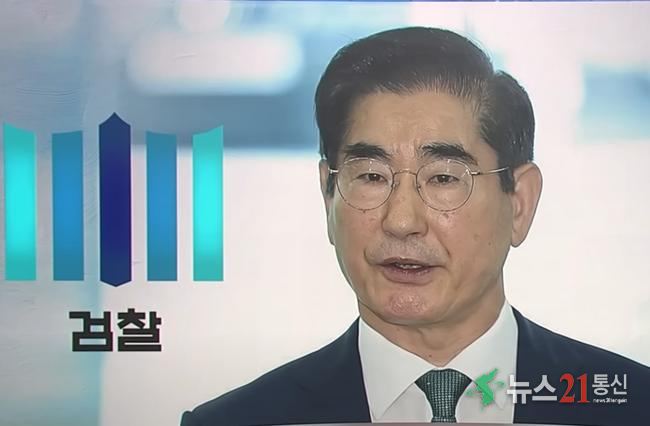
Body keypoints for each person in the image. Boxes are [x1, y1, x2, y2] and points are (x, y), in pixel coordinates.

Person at [181, 27, 649, 425]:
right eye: (371, 176)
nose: (401, 221)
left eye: (443, 178)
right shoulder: (239, 420)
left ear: (520, 202)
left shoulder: (634, 406)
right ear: (328, 193)